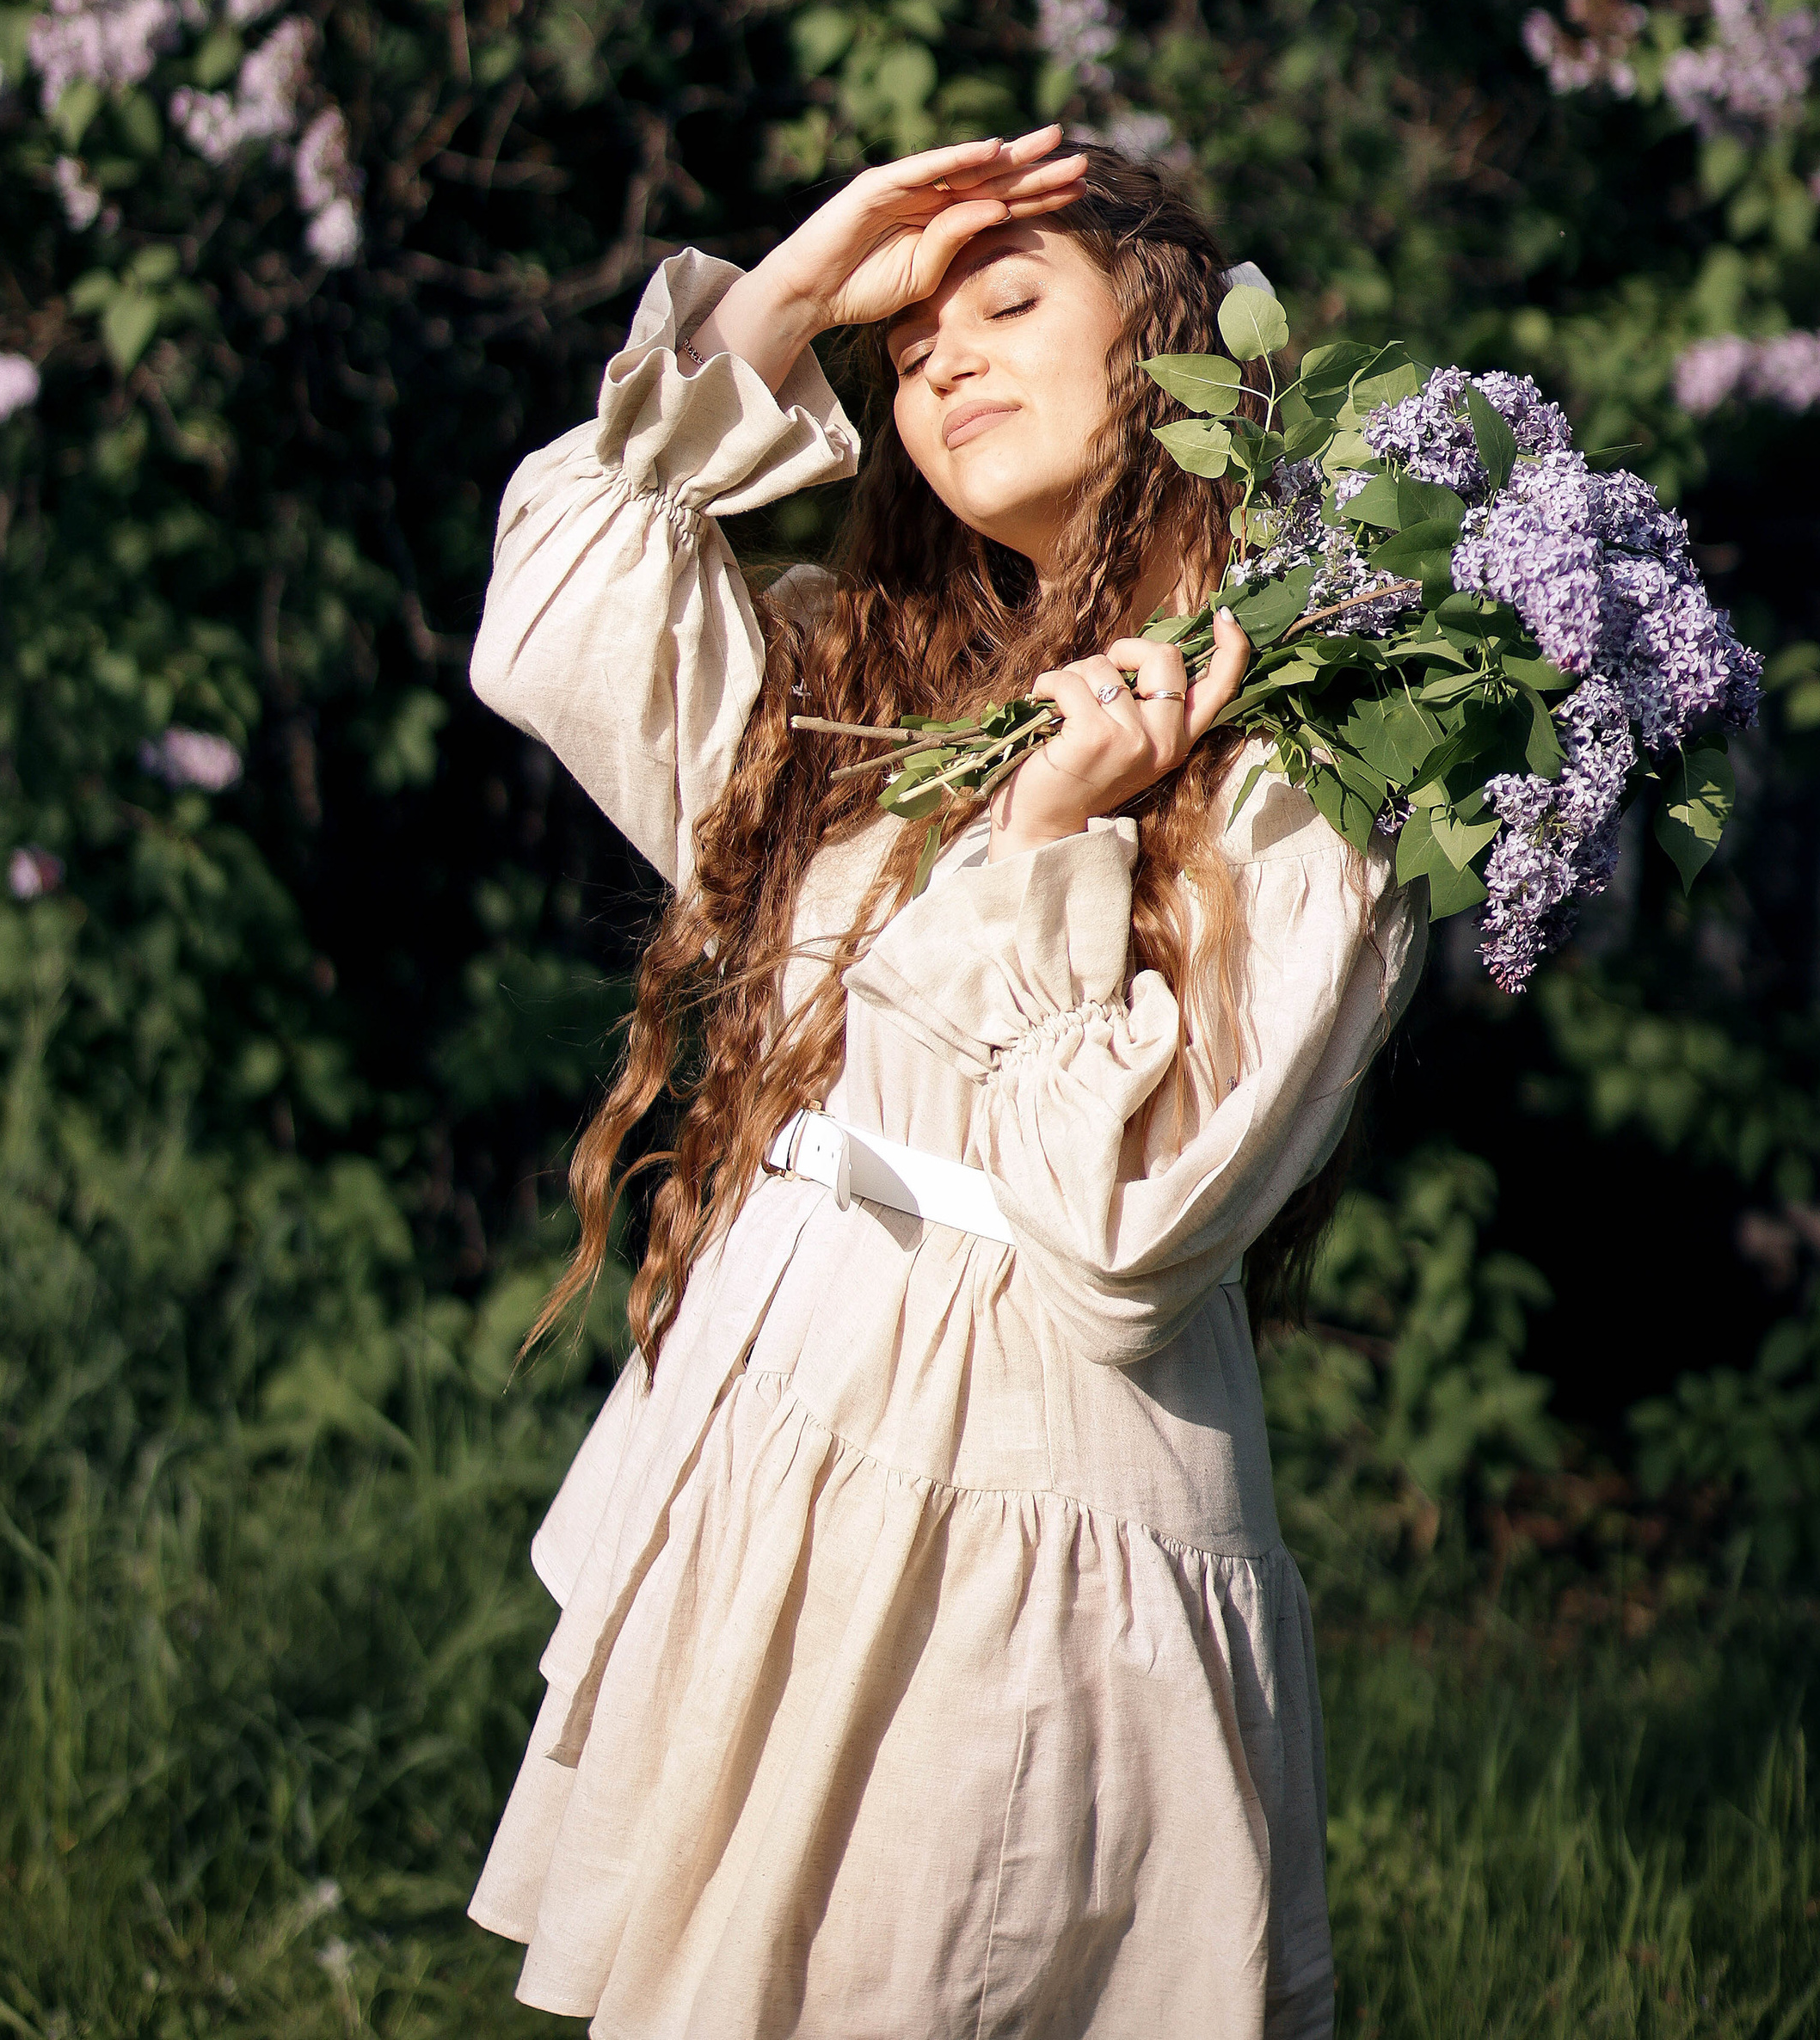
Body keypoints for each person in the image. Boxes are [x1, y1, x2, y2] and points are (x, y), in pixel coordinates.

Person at [465, 127, 1429, 2040]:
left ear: (1173, 364)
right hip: (781, 1448)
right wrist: (800, 288)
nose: (943, 362)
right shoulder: (865, 693)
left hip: (1020, 1514)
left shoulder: (1314, 753)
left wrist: (1057, 846)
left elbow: (1128, 1237)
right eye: (908, 353)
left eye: (1008, 306)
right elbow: (561, 599)